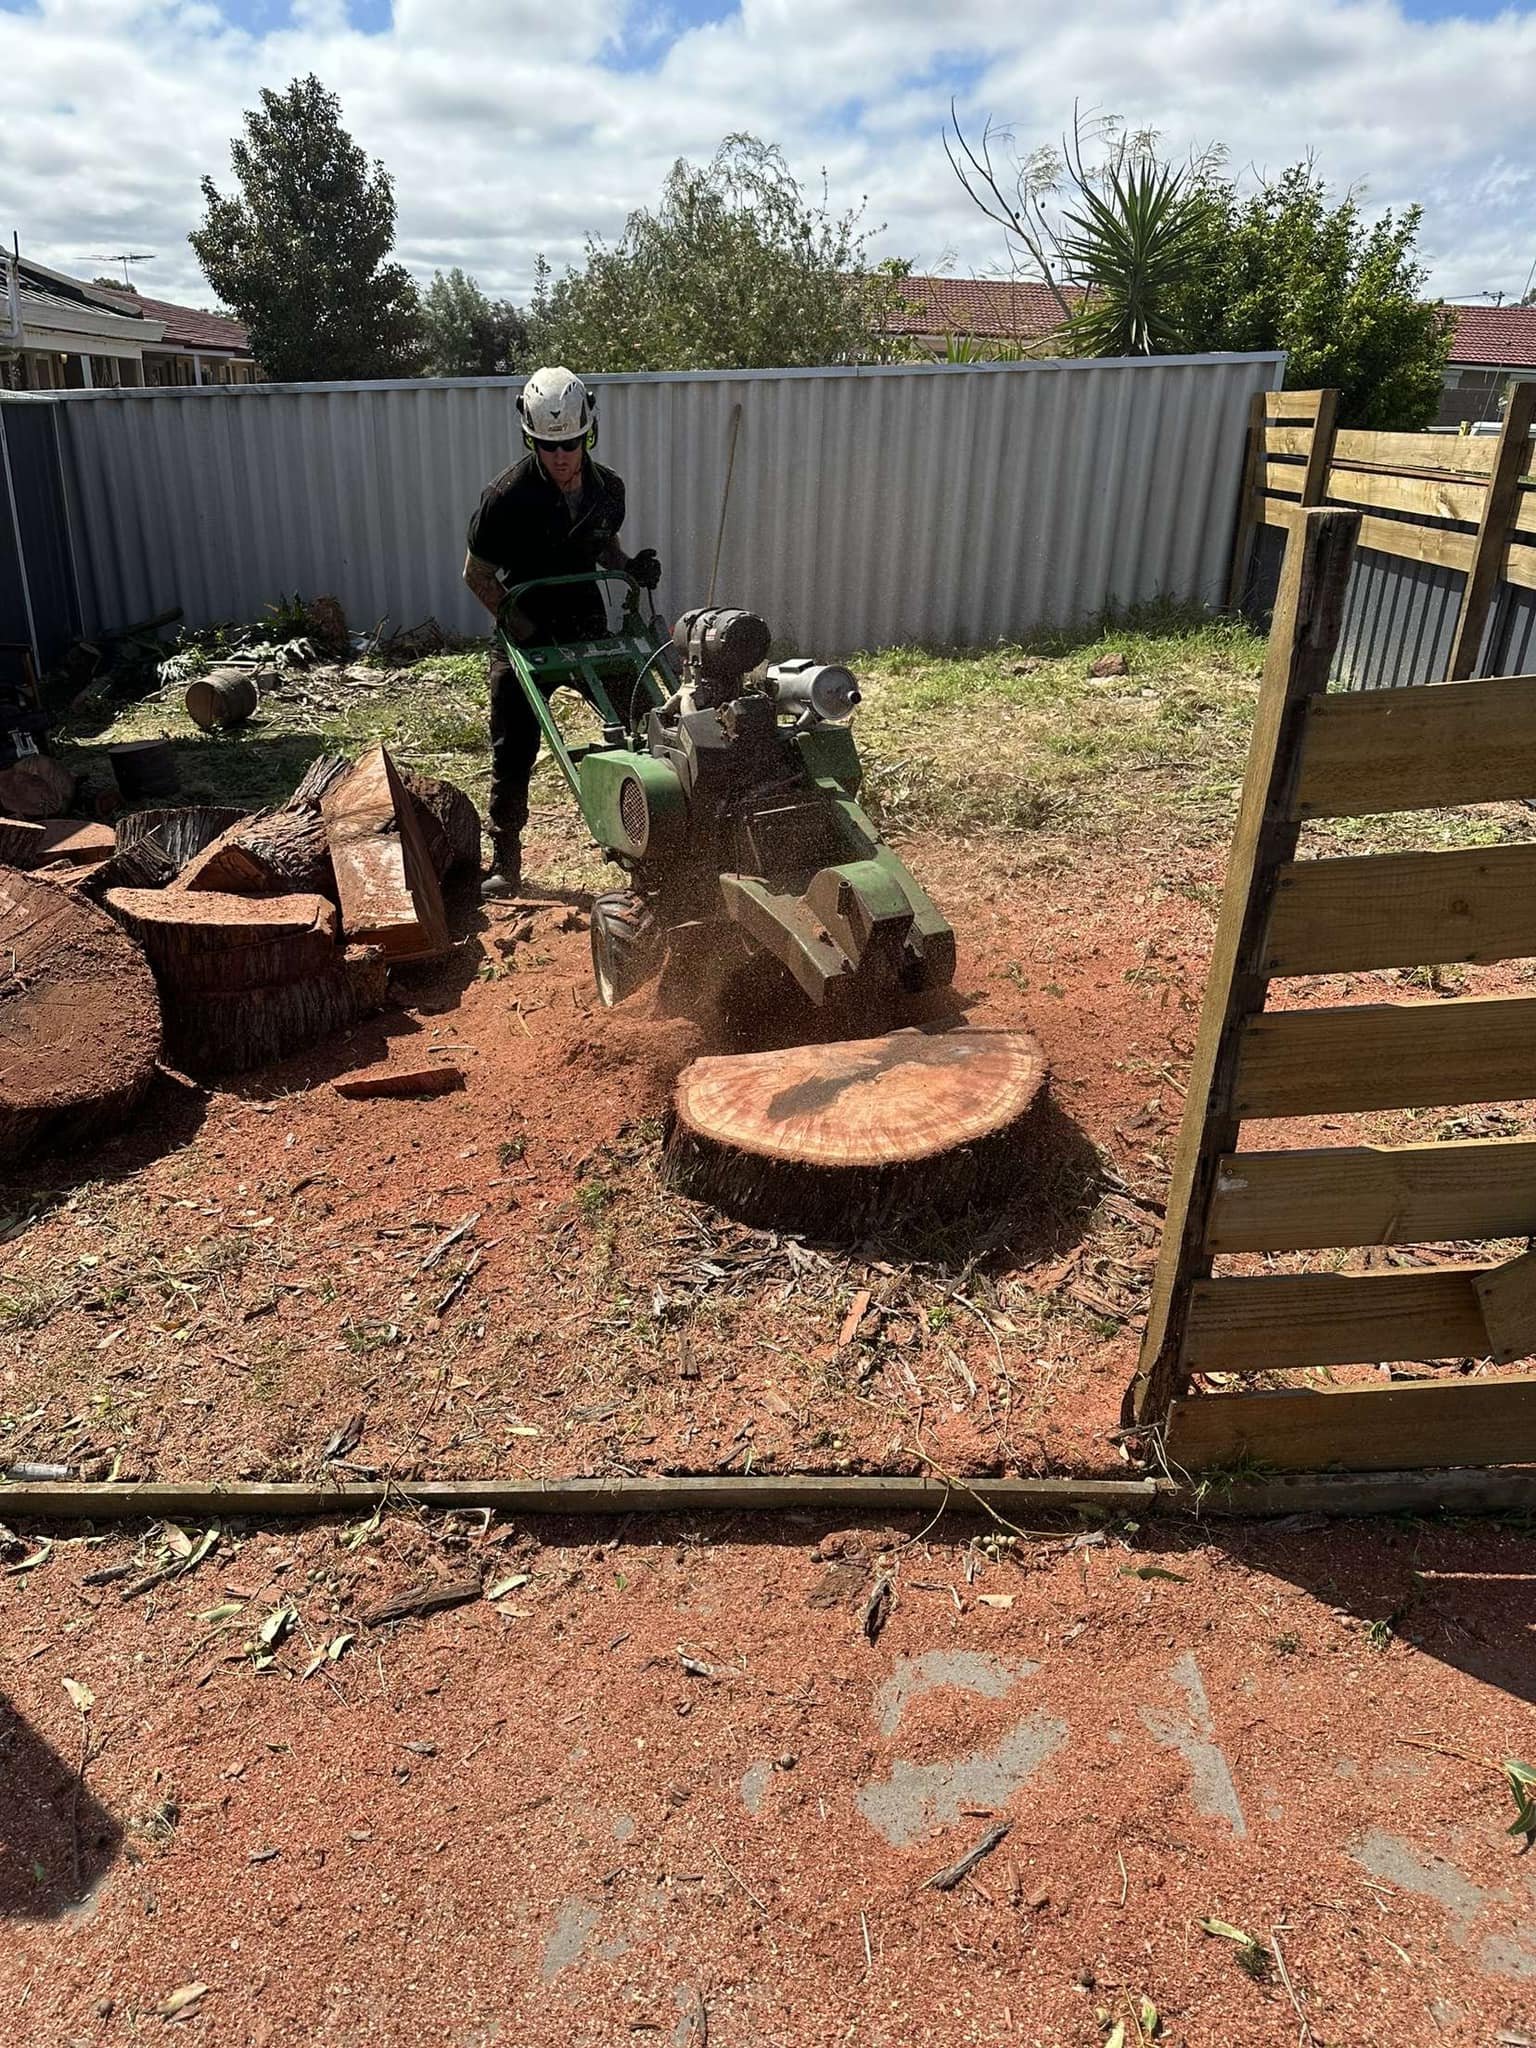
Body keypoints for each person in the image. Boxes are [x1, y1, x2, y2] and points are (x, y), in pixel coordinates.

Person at [462, 366, 660, 899]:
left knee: (650, 716)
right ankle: (505, 855)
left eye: (571, 443)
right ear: (532, 440)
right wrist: (522, 627)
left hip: (588, 623)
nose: (561, 456)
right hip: (527, 630)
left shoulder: (608, 490)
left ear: (587, 433)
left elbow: (602, 547)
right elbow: (475, 575)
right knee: (513, 742)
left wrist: (630, 565)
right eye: (549, 447)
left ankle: (665, 828)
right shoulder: (503, 498)